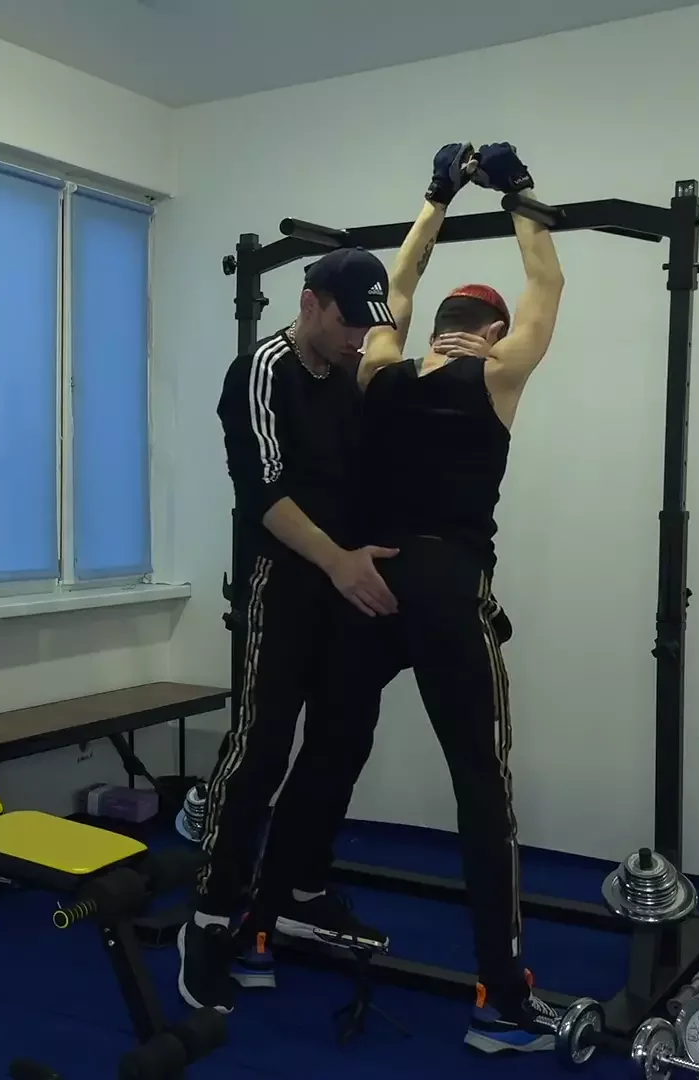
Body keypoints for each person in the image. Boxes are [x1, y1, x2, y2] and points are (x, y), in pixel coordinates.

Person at [318, 141, 567, 1052]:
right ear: (492, 333)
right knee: (481, 786)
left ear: (434, 331)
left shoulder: (380, 367)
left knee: (329, 749)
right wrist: (517, 191)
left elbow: (397, 282)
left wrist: (437, 196)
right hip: (448, 587)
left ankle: (262, 925)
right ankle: (501, 1000)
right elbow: (547, 280)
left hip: (369, 580)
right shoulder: (498, 374)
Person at [178, 240, 427, 1014]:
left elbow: (402, 296)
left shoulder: (354, 370)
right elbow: (263, 492)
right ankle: (210, 915)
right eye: (348, 324)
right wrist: (338, 562)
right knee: (260, 749)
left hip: (347, 588)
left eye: (367, 328)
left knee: (344, 740)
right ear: (310, 304)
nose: (359, 340)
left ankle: (298, 889)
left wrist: (438, 203)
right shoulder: (261, 371)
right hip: (284, 583)